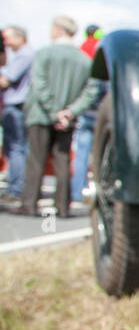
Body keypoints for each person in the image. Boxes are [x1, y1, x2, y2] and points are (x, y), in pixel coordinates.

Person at [12, 16, 100, 218]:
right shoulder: (84, 60)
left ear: (58, 30)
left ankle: (29, 203)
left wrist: (54, 112)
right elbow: (91, 90)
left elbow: (39, 83)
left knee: (36, 160)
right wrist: (70, 112)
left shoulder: (44, 53)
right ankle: (63, 206)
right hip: (67, 119)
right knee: (62, 161)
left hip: (41, 114)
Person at [71, 24, 107, 209]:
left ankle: (78, 192)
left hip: (86, 111)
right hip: (102, 112)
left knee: (82, 153)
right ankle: (100, 191)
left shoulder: (83, 49)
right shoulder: (101, 49)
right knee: (102, 154)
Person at [0, 25, 33, 202]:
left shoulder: (24, 55)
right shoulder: (22, 55)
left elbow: (6, 80)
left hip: (17, 106)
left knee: (16, 149)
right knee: (15, 148)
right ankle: (17, 187)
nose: (5, 42)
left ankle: (16, 189)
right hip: (15, 106)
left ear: (20, 37)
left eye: (8, 38)